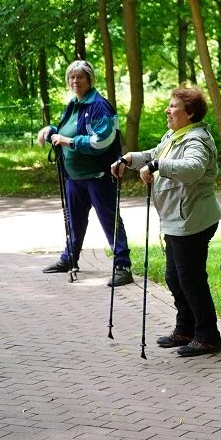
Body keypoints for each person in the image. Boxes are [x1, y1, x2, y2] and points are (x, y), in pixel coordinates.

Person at [111, 88, 221, 358]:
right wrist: (130, 159)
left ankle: (208, 336)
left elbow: (193, 168)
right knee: (176, 277)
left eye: (173, 106)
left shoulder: (197, 139)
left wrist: (158, 166)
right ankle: (185, 329)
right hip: (177, 219)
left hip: (193, 220)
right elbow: (155, 153)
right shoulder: (175, 135)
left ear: (190, 113)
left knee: (191, 280)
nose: (167, 110)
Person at [37, 60, 133, 287]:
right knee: (74, 222)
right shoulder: (73, 104)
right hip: (74, 179)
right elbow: (64, 130)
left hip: (98, 177)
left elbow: (102, 140)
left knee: (110, 222)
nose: (75, 81)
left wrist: (69, 141)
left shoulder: (100, 106)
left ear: (90, 79)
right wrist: (50, 130)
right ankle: (69, 258)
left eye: (80, 77)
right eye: (71, 77)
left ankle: (123, 266)